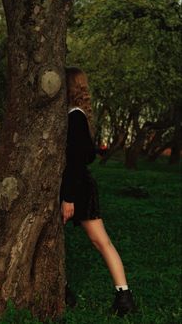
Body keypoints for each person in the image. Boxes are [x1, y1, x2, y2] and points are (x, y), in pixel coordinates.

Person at [60, 66, 137, 317]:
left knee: (100, 241)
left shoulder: (74, 117)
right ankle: (63, 289)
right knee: (93, 241)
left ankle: (124, 297)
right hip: (78, 185)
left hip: (77, 188)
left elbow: (77, 160)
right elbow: (89, 154)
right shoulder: (76, 116)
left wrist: (68, 198)